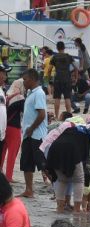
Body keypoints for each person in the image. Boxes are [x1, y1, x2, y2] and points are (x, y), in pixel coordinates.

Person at [18, 69, 47, 200]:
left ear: (33, 79)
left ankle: (59, 192)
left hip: (36, 135)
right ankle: (29, 190)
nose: (23, 82)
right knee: (26, 163)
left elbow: (42, 114)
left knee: (43, 165)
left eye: (25, 79)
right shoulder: (30, 93)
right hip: (28, 134)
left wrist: (31, 128)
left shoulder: (39, 93)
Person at [49, 41, 74, 119]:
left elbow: (49, 69)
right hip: (67, 78)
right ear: (64, 47)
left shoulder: (54, 57)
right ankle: (69, 116)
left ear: (57, 48)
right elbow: (76, 67)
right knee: (67, 97)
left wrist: (50, 77)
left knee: (57, 98)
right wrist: (75, 77)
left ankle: (56, 116)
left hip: (58, 78)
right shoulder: (68, 56)